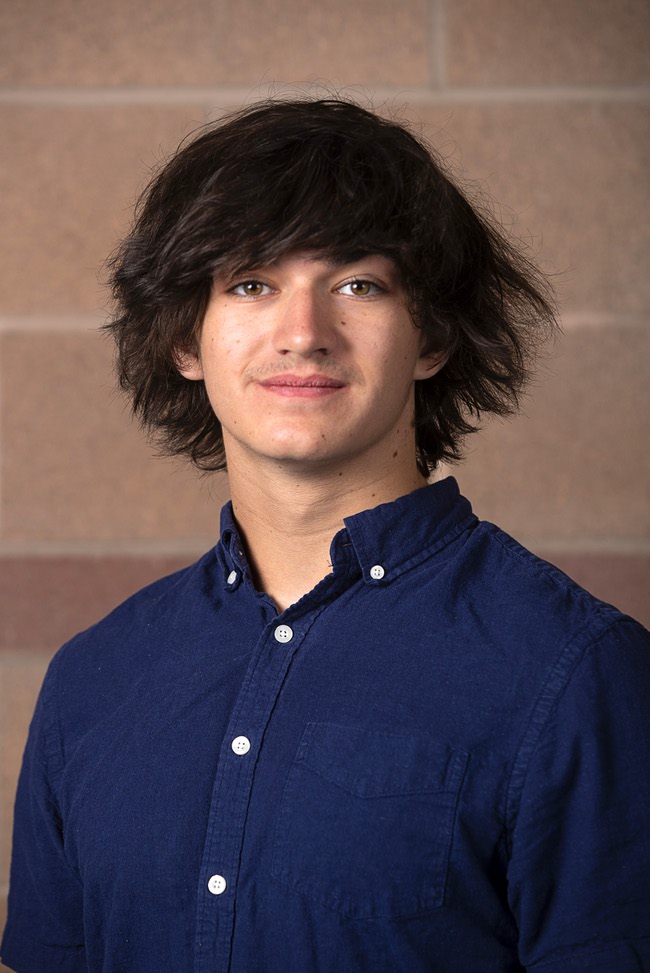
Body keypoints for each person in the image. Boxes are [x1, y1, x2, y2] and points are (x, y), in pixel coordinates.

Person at [2, 97, 649, 973]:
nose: (303, 333)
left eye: (358, 284)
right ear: (184, 339)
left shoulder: (578, 671)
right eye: (252, 284)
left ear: (432, 338)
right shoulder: (94, 678)